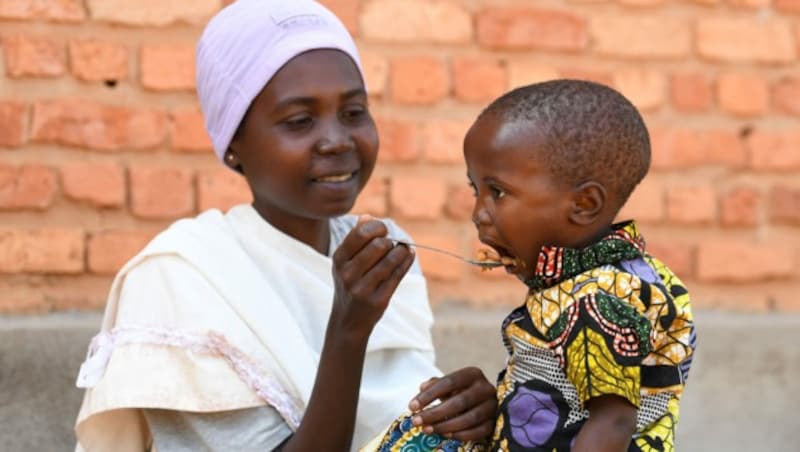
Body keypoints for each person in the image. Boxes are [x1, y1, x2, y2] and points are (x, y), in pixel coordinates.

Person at [72, 1, 495, 451]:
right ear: (233, 141)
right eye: (299, 121)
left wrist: (468, 412)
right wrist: (348, 331)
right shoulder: (181, 277)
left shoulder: (387, 251)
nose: (336, 141)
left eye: (353, 112)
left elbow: (403, 425)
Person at [451, 79, 697, 451]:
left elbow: (613, 421)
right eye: (476, 190)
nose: (478, 214)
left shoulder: (595, 301)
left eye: (497, 192)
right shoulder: (602, 276)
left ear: (583, 205)